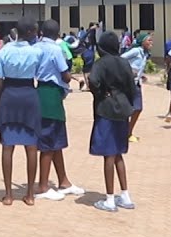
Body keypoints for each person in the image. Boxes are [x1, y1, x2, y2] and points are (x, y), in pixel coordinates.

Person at [0, 17, 42, 206]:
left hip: (9, 97)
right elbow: (39, 75)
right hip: (29, 95)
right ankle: (29, 194)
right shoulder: (36, 52)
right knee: (31, 147)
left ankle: (8, 195)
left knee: (7, 146)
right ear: (29, 33)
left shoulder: (5, 51)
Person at [88, 31, 139, 213]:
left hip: (106, 110)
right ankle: (125, 195)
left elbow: (93, 81)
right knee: (118, 154)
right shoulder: (124, 62)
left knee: (108, 155)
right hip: (123, 109)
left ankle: (109, 199)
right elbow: (132, 88)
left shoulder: (101, 63)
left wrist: (101, 92)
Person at [34, 19, 84, 201]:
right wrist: (75, 79)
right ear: (57, 33)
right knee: (49, 141)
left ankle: (64, 181)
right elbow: (64, 74)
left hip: (40, 90)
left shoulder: (36, 47)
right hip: (51, 94)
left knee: (56, 141)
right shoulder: (55, 49)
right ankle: (43, 186)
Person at [121, 32, 152, 141]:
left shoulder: (145, 53)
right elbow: (121, 59)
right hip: (127, 84)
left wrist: (141, 75)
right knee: (126, 109)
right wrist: (128, 71)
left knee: (138, 108)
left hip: (137, 83)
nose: (151, 42)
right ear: (142, 41)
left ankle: (128, 132)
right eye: (149, 40)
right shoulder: (135, 51)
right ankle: (123, 133)